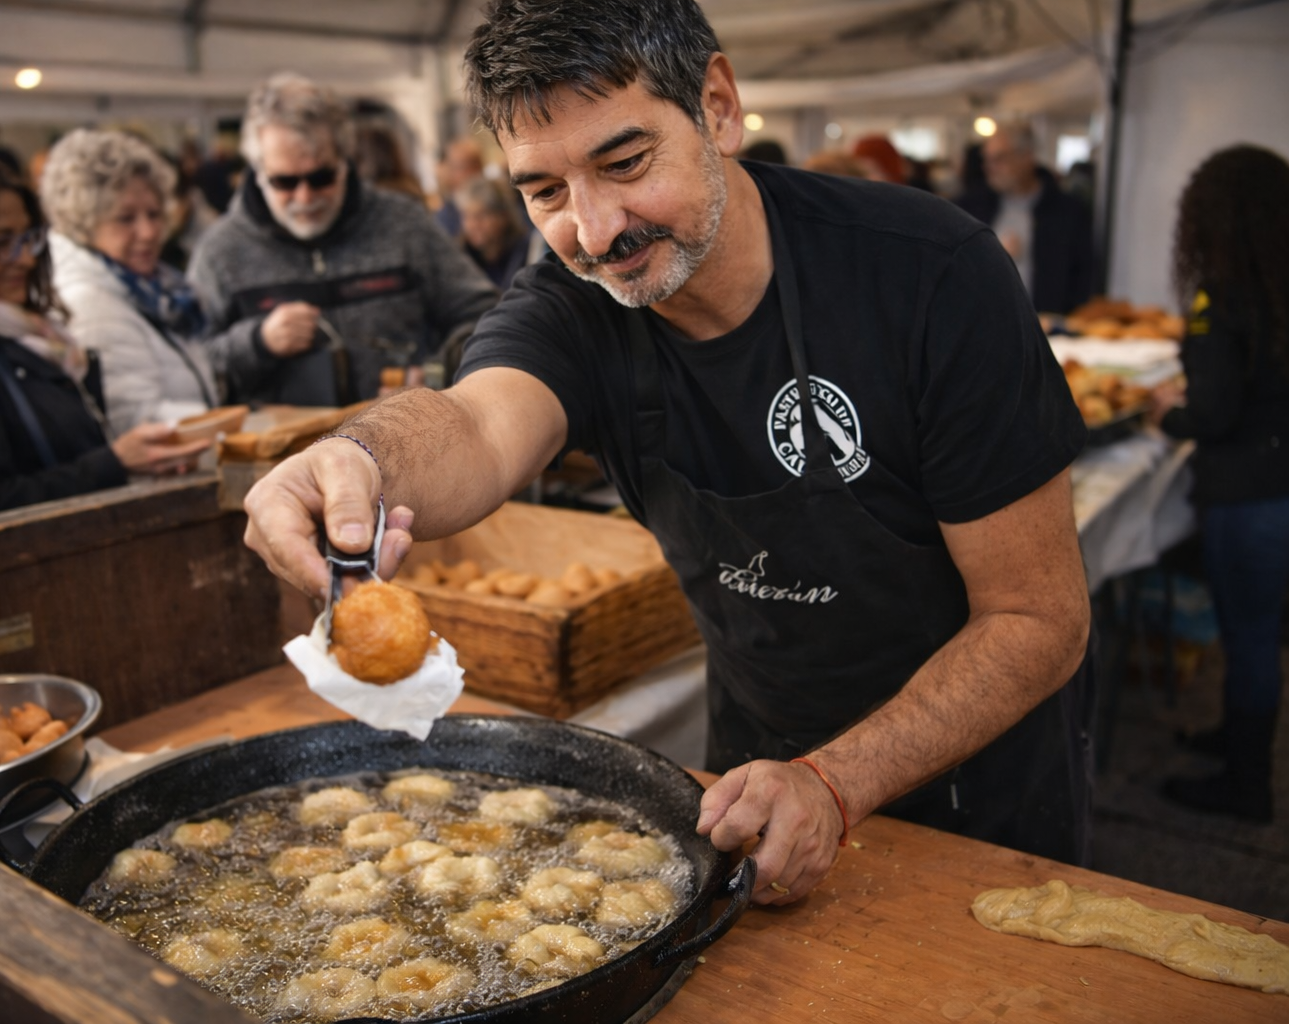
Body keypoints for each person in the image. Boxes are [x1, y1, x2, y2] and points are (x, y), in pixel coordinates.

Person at [243, 0, 1091, 906]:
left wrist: (838, 782)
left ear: (717, 106)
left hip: (975, 805)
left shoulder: (929, 274)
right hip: (752, 790)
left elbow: (1038, 616)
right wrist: (355, 460)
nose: (598, 230)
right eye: (545, 192)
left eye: (625, 163)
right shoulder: (575, 307)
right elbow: (480, 425)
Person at [0, 151, 210, 525]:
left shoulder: (24, 335)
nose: (24, 258)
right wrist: (113, 463)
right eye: (0, 242)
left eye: (27, 238)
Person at [187, 73, 498, 406]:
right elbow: (188, 367)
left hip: (401, 443)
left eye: (321, 178)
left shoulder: (403, 224)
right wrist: (257, 342)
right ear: (258, 172)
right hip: (278, 455)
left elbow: (486, 314)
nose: (305, 198)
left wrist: (437, 373)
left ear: (345, 162)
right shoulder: (220, 252)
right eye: (285, 182)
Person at [1150, 145, 1289, 823]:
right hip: (1278, 482)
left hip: (1250, 495)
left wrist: (1163, 413)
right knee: (1255, 634)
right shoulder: (1277, 283)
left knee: (1251, 636)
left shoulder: (1224, 294)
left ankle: (1246, 784)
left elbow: (1214, 413)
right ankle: (1238, 743)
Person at [40, 129, 219, 434]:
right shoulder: (91, 305)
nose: (149, 232)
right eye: (126, 218)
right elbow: (136, 421)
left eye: (154, 214)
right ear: (83, 224)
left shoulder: (153, 289)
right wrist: (240, 428)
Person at [955, 121, 1093, 315]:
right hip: (982, 325)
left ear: (1026, 157)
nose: (989, 168)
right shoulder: (970, 208)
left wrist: (1065, 320)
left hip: (1046, 328)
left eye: (999, 159)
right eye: (986, 160)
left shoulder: (1067, 212)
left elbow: (1083, 274)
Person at [454, 177, 535, 291]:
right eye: (466, 216)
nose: (472, 225)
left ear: (503, 216)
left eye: (480, 216)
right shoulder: (462, 257)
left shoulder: (529, 251)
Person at [433, 137, 488, 236]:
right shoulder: (445, 216)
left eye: (476, 164)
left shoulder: (496, 202)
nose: (473, 172)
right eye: (463, 167)